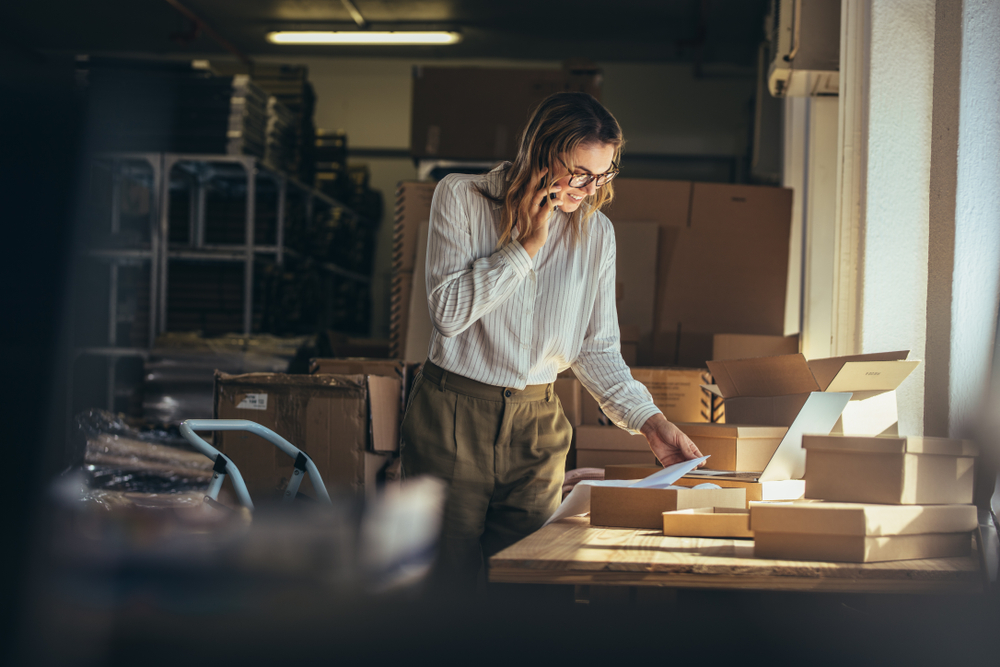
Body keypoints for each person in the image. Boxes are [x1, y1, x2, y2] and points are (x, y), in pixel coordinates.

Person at [400, 91, 703, 589]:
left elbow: (596, 348)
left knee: (531, 585)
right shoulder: (461, 196)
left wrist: (651, 423)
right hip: (451, 415)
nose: (589, 188)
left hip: (538, 427)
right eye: (580, 173)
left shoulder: (596, 234)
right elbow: (448, 315)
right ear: (542, 152)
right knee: (442, 587)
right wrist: (526, 248)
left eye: (603, 175)